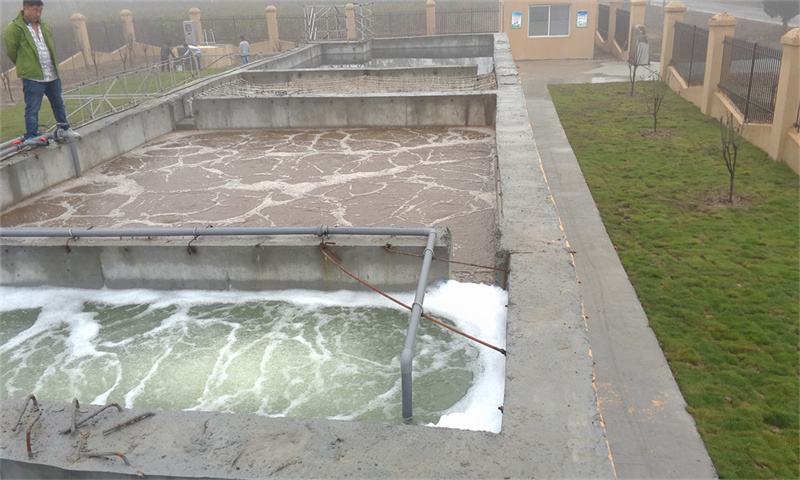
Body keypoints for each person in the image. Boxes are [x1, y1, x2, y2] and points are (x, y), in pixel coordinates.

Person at [4, 0, 80, 147]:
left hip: (51, 74)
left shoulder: (43, 25)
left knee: (58, 104)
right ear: (25, 9)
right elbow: (12, 51)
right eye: (35, 10)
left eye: (40, 11)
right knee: (32, 108)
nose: (38, 14)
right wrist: (25, 65)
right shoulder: (15, 28)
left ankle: (64, 128)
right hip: (33, 77)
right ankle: (32, 135)